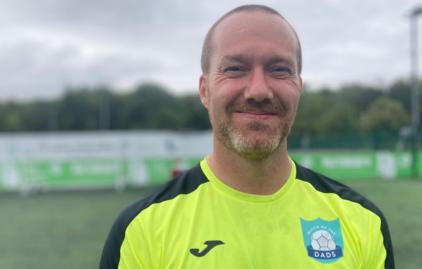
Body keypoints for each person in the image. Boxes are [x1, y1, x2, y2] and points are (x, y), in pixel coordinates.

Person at [99, 4, 395, 269]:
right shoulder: (142, 230)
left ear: (298, 88)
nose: (258, 91)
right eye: (235, 69)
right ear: (205, 90)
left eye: (279, 70)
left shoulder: (363, 222)